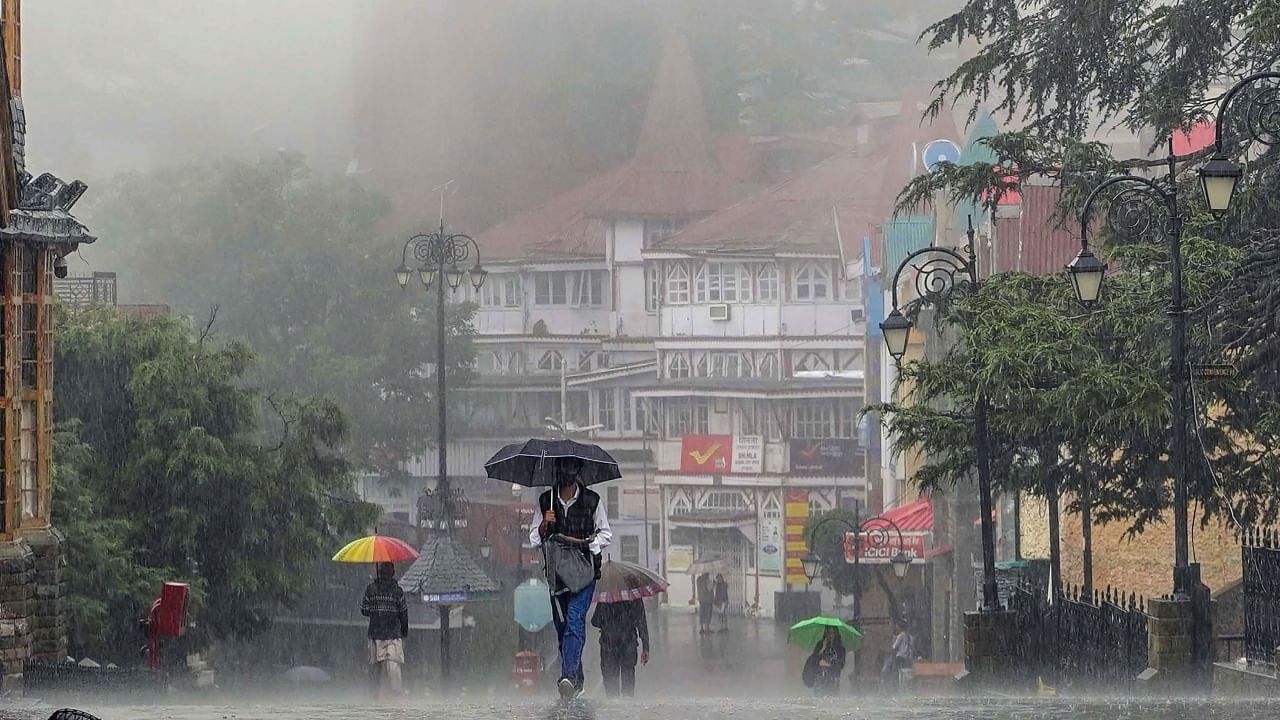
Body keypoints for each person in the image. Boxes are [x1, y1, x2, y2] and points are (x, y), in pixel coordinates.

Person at [529, 457, 612, 700]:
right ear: (557, 470)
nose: (567, 473)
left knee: (575, 619)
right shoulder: (546, 501)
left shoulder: (593, 501)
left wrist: (590, 545)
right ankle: (575, 679)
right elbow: (534, 538)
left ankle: (566, 676)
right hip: (556, 573)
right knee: (562, 626)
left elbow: (605, 532)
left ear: (578, 471)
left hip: (584, 571)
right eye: (563, 468)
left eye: (571, 469)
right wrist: (545, 524)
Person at [360, 561, 408, 697]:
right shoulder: (397, 592)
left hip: (376, 634)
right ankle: (394, 696)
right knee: (393, 668)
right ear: (392, 574)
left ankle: (375, 696)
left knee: (376, 669)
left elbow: (363, 610)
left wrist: (375, 610)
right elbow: (403, 614)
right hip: (391, 635)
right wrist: (404, 634)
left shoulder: (371, 589)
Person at [590, 599, 650, 697]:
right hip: (629, 641)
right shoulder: (634, 597)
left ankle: (612, 701)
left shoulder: (606, 597)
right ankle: (627, 701)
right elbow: (641, 622)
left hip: (608, 642)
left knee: (610, 675)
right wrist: (646, 647)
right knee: (628, 673)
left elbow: (595, 621)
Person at [804, 627, 846, 696]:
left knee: (831, 700)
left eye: (832, 633)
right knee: (819, 699)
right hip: (819, 679)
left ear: (836, 634)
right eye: (828, 633)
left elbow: (841, 665)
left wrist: (828, 665)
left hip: (833, 679)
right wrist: (822, 649)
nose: (830, 635)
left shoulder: (840, 649)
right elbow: (813, 660)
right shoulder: (820, 645)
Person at [881, 619, 914, 689]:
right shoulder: (910, 637)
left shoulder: (900, 636)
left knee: (894, 673)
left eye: (896, 626)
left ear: (899, 627)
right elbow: (911, 648)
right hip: (907, 658)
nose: (896, 627)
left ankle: (894, 687)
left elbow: (894, 648)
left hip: (899, 658)